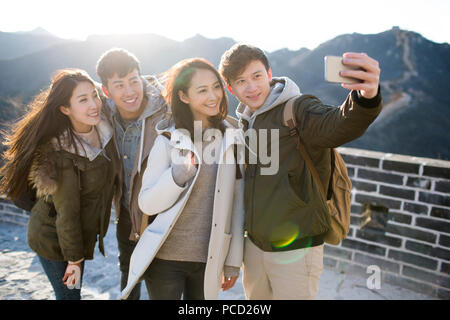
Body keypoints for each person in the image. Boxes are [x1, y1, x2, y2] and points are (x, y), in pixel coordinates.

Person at [218, 44, 382, 300]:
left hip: (297, 250)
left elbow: (339, 124)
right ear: (231, 88)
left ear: (269, 74)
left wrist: (365, 97)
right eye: (241, 81)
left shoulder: (297, 109)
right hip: (254, 249)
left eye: (257, 76)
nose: (251, 87)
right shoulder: (246, 122)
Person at [121, 58, 245, 300]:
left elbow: (237, 204)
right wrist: (177, 177)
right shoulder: (168, 140)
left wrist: (232, 261)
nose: (213, 96)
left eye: (216, 86)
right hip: (165, 259)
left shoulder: (233, 139)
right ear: (184, 96)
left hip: (209, 258)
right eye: (202, 90)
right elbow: (146, 203)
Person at [0, 69, 121, 300]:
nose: (94, 104)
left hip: (76, 236)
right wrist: (74, 261)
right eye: (83, 100)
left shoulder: (102, 128)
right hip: (53, 239)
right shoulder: (63, 154)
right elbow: (68, 214)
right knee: (69, 297)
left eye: (94, 95)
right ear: (65, 109)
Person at [96, 48, 168, 299]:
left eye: (133, 81)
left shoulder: (166, 111)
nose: (129, 92)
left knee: (163, 284)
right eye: (119, 85)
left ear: (141, 78)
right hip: (126, 212)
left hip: (165, 215)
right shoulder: (102, 115)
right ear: (107, 91)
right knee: (129, 278)